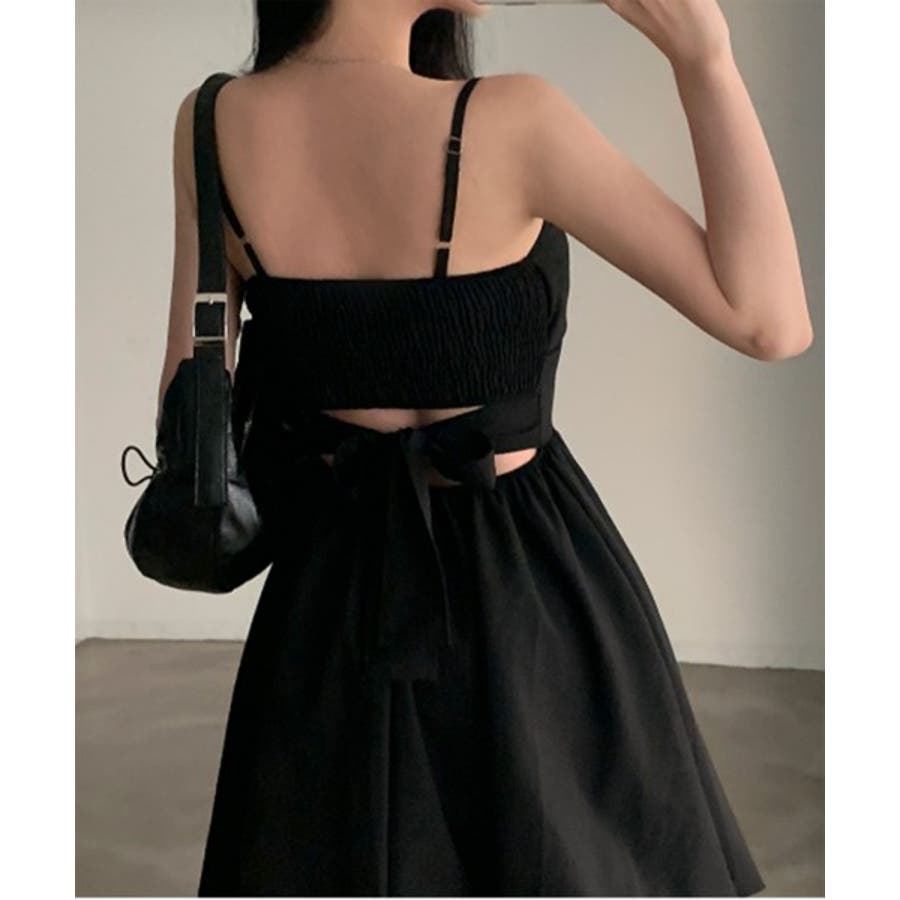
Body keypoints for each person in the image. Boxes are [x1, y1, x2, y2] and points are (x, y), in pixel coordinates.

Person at [157, 1, 811, 895]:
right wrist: (705, 60)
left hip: (326, 601)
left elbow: (189, 391)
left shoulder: (209, 124)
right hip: (525, 590)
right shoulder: (513, 120)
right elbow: (769, 321)